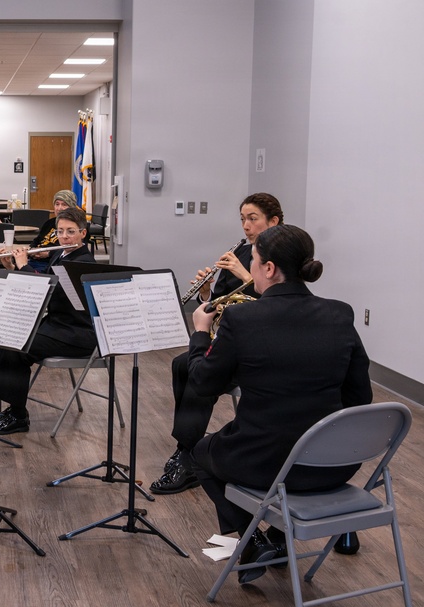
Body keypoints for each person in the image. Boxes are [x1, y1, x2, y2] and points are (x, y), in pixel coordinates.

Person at [187, 224, 372, 583]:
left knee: (200, 452)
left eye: (254, 261)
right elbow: (359, 398)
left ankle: (253, 540)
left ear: (269, 268)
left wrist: (200, 333)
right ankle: (273, 538)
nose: (252, 268)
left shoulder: (242, 318)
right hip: (335, 465)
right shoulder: (340, 314)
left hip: (266, 464)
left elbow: (202, 382)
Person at [150, 193, 283, 494]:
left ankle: (186, 456)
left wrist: (243, 274)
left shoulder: (281, 257)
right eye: (243, 219)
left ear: (273, 222)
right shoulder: (242, 251)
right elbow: (220, 302)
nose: (246, 226)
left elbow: (276, 303)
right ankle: (190, 445)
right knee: (182, 364)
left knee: (203, 373)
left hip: (262, 350)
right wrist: (207, 291)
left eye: (253, 219)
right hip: (232, 340)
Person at [0, 207, 97, 433]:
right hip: (57, 325)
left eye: (71, 232)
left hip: (77, 333)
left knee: (18, 347)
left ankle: (18, 415)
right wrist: (10, 265)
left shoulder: (83, 261)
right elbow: (38, 282)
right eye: (61, 231)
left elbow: (44, 291)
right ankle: (2, 399)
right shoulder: (60, 254)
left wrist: (24, 264)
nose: (64, 237)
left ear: (82, 234)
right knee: (6, 337)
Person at [27, 190, 79, 273]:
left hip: (50, 264)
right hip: (34, 259)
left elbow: (73, 250)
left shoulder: (76, 226)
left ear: (72, 207)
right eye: (57, 204)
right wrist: (32, 249)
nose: (59, 208)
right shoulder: (49, 222)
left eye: (64, 204)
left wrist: (48, 254)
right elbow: (37, 240)